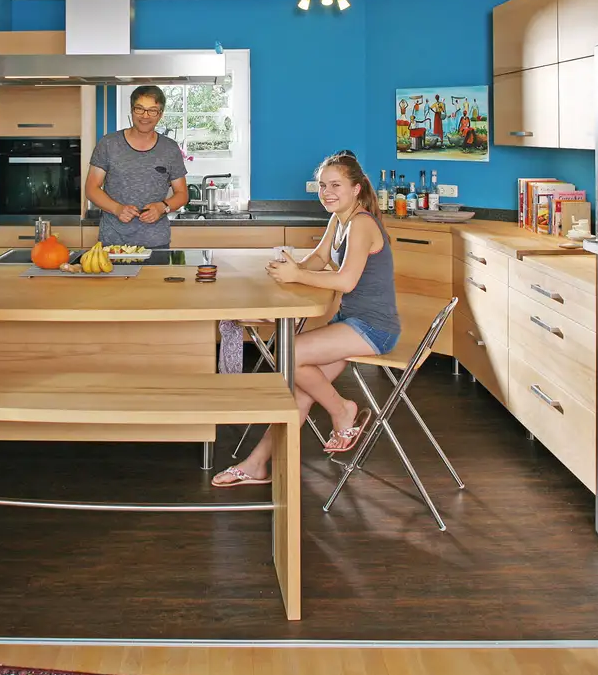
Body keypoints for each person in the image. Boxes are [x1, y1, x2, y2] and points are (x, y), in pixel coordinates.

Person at [211, 151, 401, 487]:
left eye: (336, 185)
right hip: (350, 322)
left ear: (356, 188)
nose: (327, 192)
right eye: (323, 185)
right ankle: (256, 465)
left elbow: (346, 281)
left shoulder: (361, 223)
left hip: (373, 328)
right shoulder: (339, 220)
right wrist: (291, 268)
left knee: (290, 352)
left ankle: (342, 410)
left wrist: (297, 276)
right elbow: (318, 258)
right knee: (299, 393)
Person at [84, 86, 189, 249]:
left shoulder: (170, 149)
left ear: (160, 114)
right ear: (132, 109)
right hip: (113, 244)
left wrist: (162, 207)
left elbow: (182, 194)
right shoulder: (108, 144)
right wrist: (117, 209)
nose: (145, 116)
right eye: (140, 109)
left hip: (156, 244)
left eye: (152, 110)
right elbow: (91, 188)